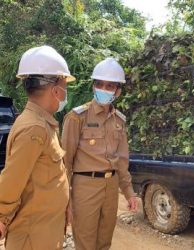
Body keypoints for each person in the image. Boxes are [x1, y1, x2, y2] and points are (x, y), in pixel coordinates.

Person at [0, 45, 75, 249]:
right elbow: (11, 181)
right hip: (33, 237)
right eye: (64, 85)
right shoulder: (34, 128)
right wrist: (2, 218)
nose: (65, 91)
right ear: (56, 89)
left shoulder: (43, 123)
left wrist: (65, 204)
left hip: (45, 231)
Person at [61, 57, 137, 250]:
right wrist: (64, 201)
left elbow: (122, 161)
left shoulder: (119, 120)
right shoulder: (77, 117)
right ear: (94, 86)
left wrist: (129, 193)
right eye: (100, 84)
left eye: (110, 85)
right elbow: (65, 163)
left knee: (104, 242)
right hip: (85, 187)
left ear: (118, 91)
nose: (103, 89)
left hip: (111, 187)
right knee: (85, 243)